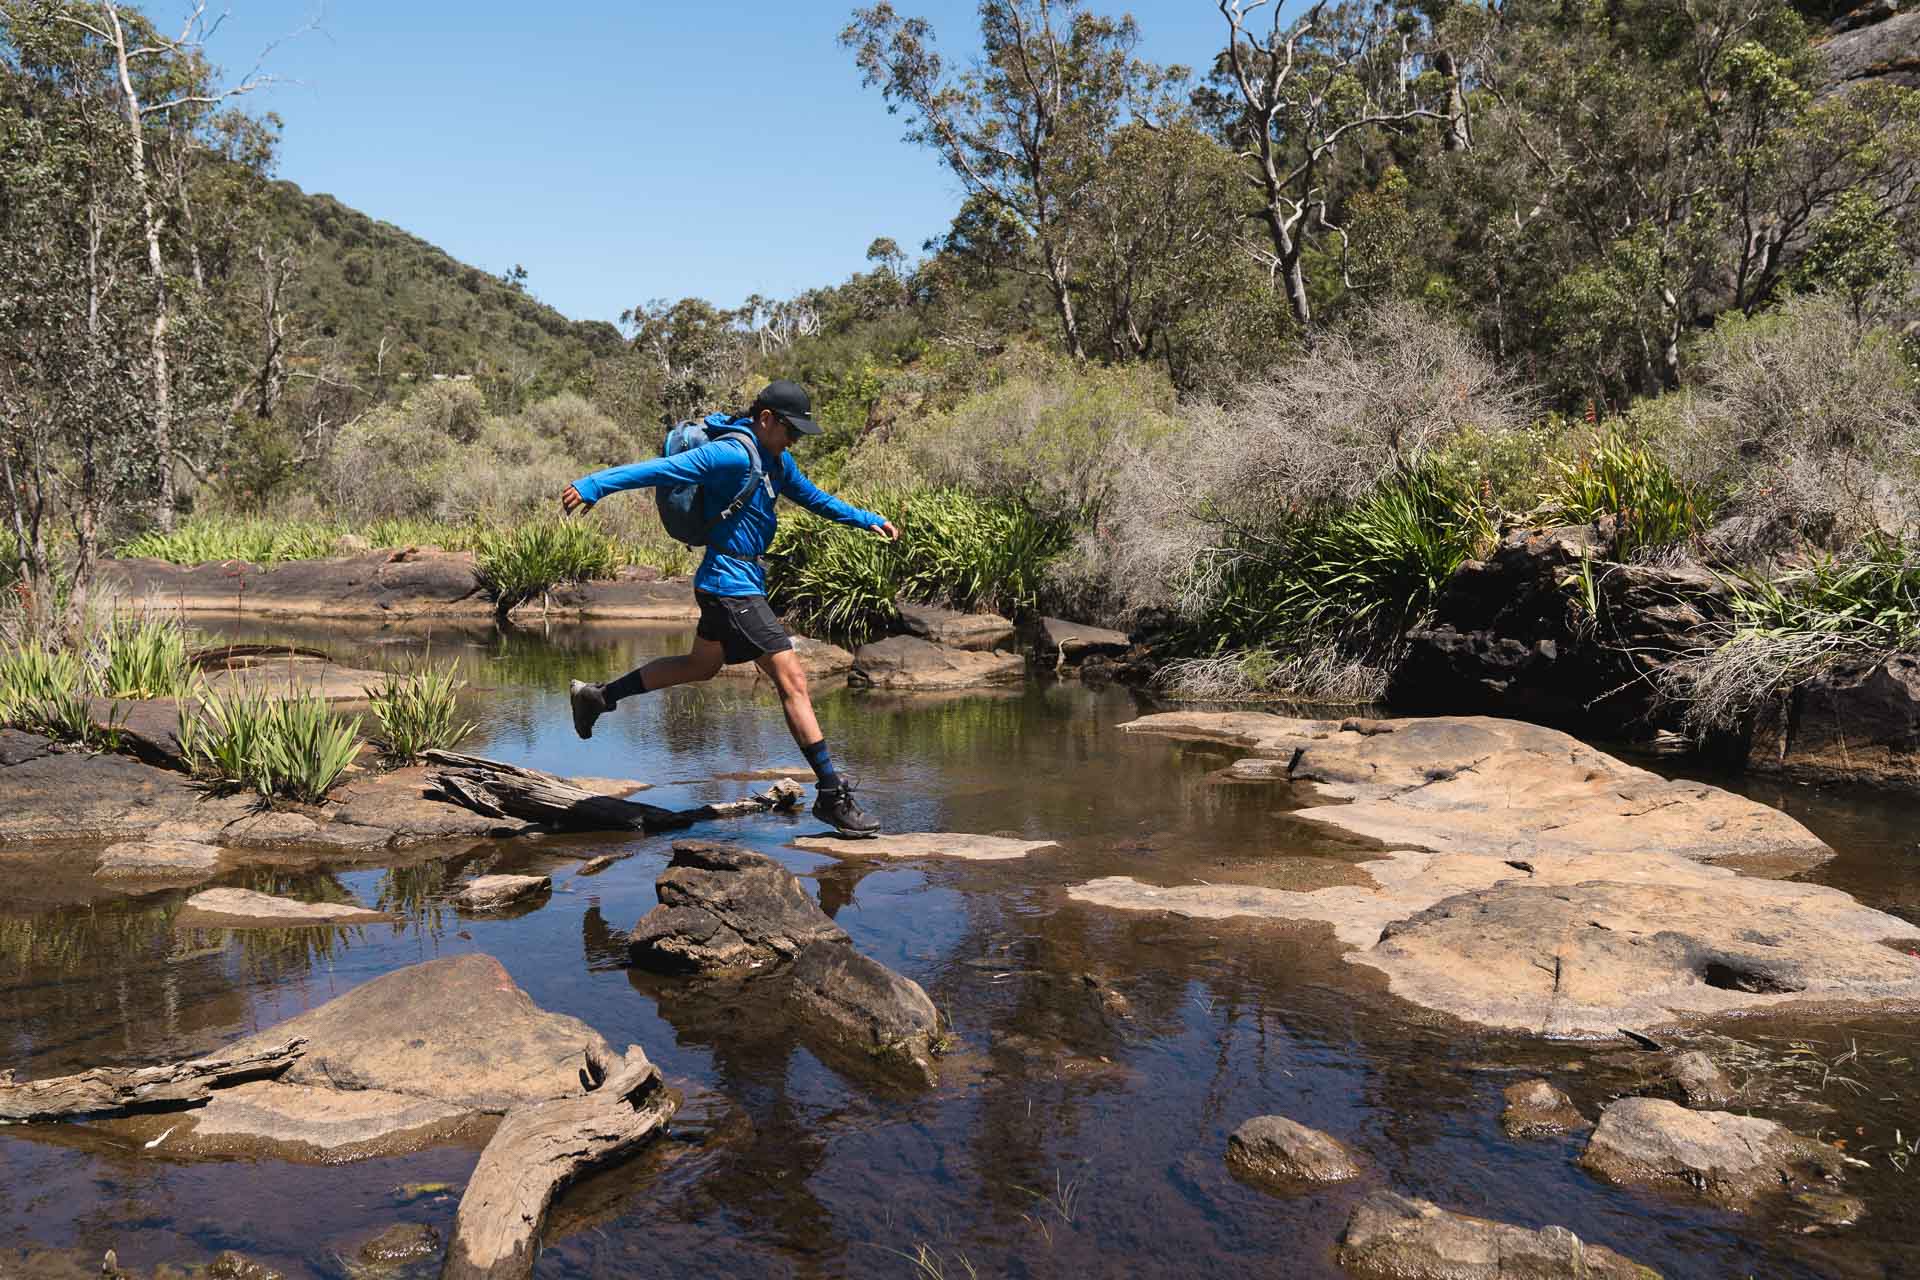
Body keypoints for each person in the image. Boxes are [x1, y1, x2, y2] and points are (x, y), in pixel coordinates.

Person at [559, 379, 898, 837]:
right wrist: (593, 485)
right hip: (732, 586)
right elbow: (661, 470)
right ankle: (833, 796)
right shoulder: (732, 454)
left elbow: (815, 499)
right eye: (790, 429)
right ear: (765, 419)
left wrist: (867, 519)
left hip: (731, 583)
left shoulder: (777, 461)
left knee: (701, 665)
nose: (795, 438)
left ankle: (598, 697)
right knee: (793, 679)